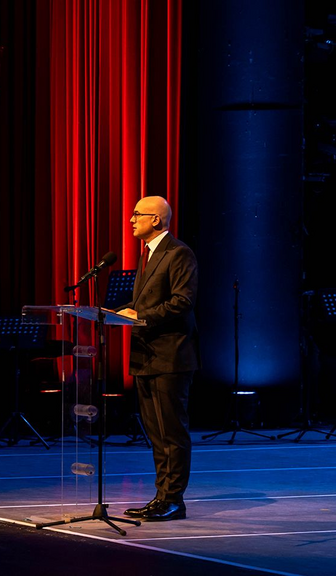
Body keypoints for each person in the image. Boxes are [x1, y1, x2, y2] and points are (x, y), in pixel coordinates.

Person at [115, 194, 200, 521]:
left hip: (170, 357)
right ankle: (161, 496)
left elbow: (182, 301)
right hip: (146, 357)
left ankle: (173, 499)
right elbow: (146, 303)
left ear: (156, 219)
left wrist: (140, 316)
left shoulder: (178, 253)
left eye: (137, 214)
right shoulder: (148, 254)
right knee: (156, 434)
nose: (131, 219)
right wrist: (120, 314)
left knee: (171, 433)